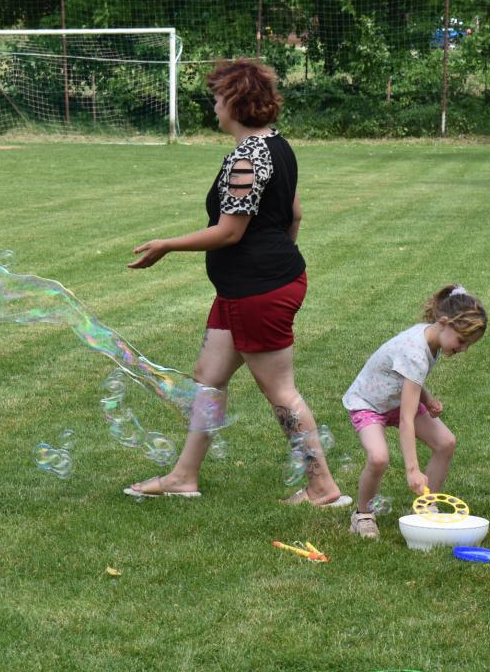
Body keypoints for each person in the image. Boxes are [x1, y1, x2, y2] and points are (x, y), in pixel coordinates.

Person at [124, 59, 350, 507]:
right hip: (247, 287)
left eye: (217, 98)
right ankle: (183, 476)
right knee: (209, 377)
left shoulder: (248, 157)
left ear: (234, 103)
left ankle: (323, 488)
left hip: (256, 291)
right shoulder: (277, 145)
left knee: (280, 390)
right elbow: (295, 214)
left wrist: (167, 245)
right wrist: (277, 258)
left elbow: (229, 232)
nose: (213, 106)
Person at [343, 285, 488, 539]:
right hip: (368, 403)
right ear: (444, 323)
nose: (463, 348)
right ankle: (363, 514)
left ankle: (425, 506)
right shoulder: (415, 351)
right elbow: (406, 419)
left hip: (396, 399)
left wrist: (427, 398)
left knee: (445, 443)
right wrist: (412, 469)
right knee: (378, 458)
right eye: (462, 341)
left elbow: (409, 377)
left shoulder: (432, 337)